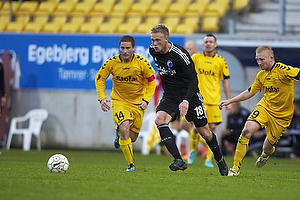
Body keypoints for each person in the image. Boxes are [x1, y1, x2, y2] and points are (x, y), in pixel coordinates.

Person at [149, 24, 228, 175]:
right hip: (171, 95)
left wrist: (186, 100)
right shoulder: (153, 51)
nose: (154, 44)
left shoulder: (181, 55)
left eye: (158, 40)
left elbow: (193, 80)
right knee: (160, 120)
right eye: (152, 40)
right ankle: (178, 160)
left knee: (205, 132)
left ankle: (219, 160)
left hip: (190, 96)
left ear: (167, 39)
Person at [219, 45, 300, 176]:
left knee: (267, 146)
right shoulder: (261, 75)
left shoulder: (283, 70)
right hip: (265, 108)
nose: (259, 62)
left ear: (271, 58)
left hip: (282, 116)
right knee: (246, 131)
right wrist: (230, 101)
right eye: (257, 59)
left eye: (262, 59)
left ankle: (265, 154)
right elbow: (250, 92)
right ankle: (235, 169)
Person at [95, 35, 156, 172]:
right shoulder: (111, 63)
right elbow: (99, 79)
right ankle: (131, 164)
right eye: (122, 48)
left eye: (128, 48)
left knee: (131, 138)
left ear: (133, 48)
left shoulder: (142, 62)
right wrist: (102, 98)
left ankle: (119, 134)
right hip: (119, 101)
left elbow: (152, 82)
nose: (125, 51)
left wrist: (146, 100)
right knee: (124, 128)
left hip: (138, 104)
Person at [187, 34, 232, 168]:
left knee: (211, 129)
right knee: (196, 128)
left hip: (213, 101)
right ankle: (193, 150)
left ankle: (208, 158)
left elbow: (225, 82)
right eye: (206, 42)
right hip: (198, 99)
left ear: (215, 44)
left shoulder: (221, 61)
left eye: (210, 42)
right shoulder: (196, 58)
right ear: (203, 44)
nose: (208, 44)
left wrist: (229, 101)